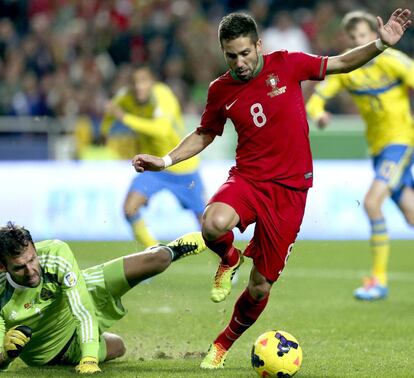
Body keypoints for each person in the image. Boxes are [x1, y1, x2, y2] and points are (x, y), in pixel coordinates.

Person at [131, 9, 412, 368]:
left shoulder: (289, 64)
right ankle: (229, 258)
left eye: (246, 53)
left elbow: (340, 63)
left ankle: (222, 343)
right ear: (223, 52)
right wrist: (167, 160)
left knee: (260, 285)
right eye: (231, 55)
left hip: (291, 191)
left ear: (258, 45)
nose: (240, 62)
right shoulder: (221, 89)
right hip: (248, 178)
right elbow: (205, 132)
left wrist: (379, 45)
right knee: (213, 222)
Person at [306, 10, 414, 301]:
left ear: (375, 34)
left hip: (401, 142)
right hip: (379, 150)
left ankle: (378, 280)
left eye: (365, 36)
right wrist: (319, 115)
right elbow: (317, 99)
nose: (360, 41)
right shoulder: (350, 68)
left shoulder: (393, 61)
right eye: (354, 38)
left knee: (371, 202)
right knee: (411, 215)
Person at [0, 222, 206, 374]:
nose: (31, 271)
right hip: (54, 351)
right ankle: (88, 344)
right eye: (19, 267)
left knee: (158, 259)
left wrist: (89, 359)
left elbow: (82, 309)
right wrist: (7, 355)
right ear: (3, 267)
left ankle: (172, 249)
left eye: (32, 259)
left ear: (35, 250)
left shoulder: (55, 253)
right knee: (119, 346)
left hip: (81, 292)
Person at [101, 64, 205, 248]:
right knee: (129, 209)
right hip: (154, 166)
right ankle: (155, 250)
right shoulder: (126, 97)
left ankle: (227, 261)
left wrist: (124, 118)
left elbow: (161, 130)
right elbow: (110, 111)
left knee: (207, 224)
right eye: (135, 83)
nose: (139, 87)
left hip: (182, 165)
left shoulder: (163, 95)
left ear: (152, 82)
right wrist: (105, 132)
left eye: (143, 81)